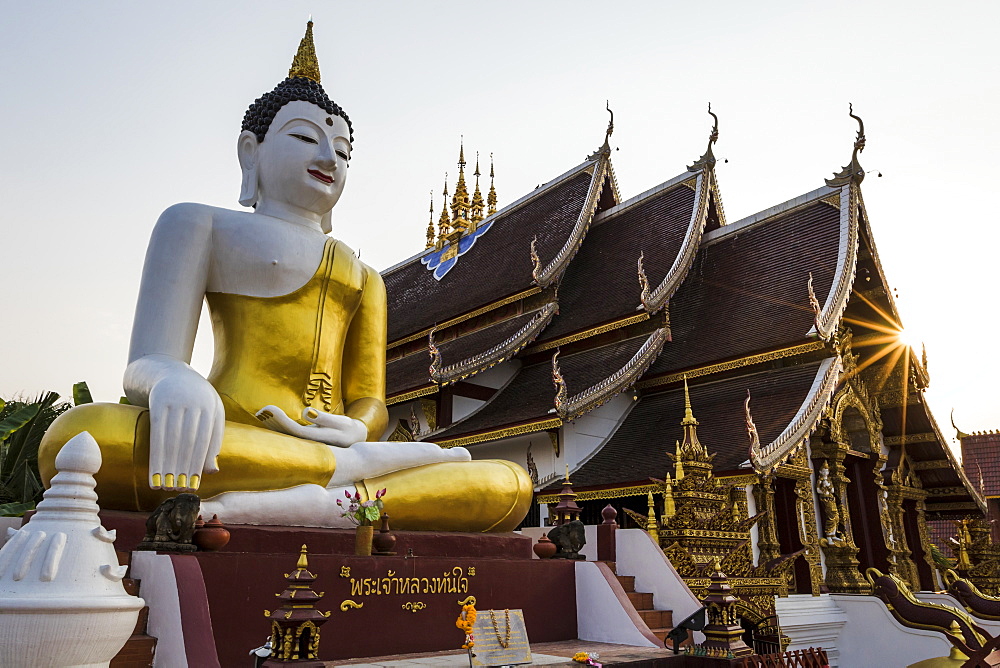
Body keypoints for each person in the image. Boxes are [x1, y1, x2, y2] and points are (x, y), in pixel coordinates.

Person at [39, 22, 532, 532]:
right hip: (227, 433)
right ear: (250, 151)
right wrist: (173, 378)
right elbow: (147, 360)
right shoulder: (197, 224)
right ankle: (352, 492)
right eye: (304, 138)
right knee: (81, 438)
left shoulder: (364, 277)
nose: (328, 159)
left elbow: (369, 401)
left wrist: (360, 427)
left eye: (342, 152)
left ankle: (316, 498)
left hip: (324, 449)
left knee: (508, 483)